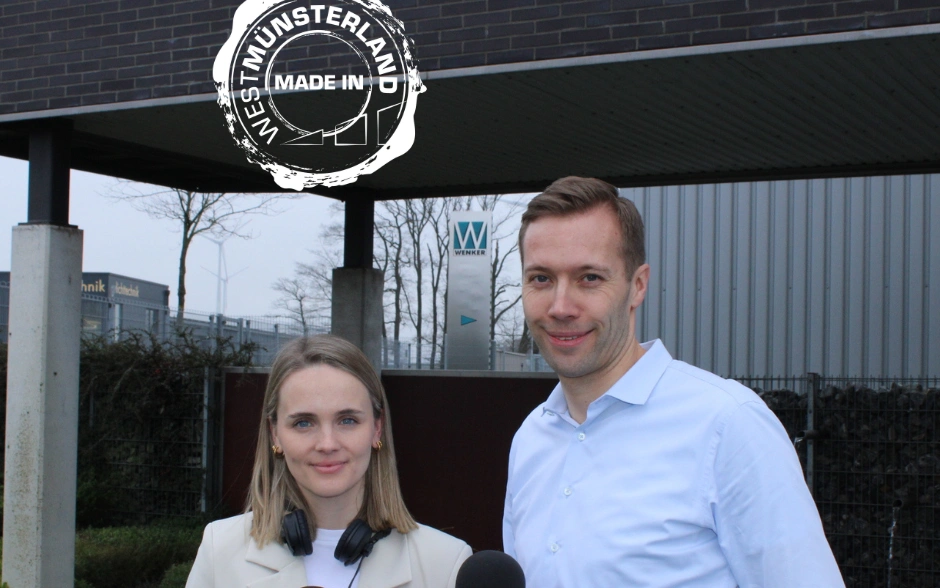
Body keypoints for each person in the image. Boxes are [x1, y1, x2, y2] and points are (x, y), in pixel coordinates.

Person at [502, 176, 844, 587]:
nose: (560, 307)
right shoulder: (531, 440)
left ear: (638, 286)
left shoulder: (728, 426)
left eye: (589, 278)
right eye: (541, 278)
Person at [187, 334, 471, 588]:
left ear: (377, 428)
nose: (327, 444)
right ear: (275, 434)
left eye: (347, 420)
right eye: (303, 423)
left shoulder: (445, 563)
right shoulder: (220, 549)